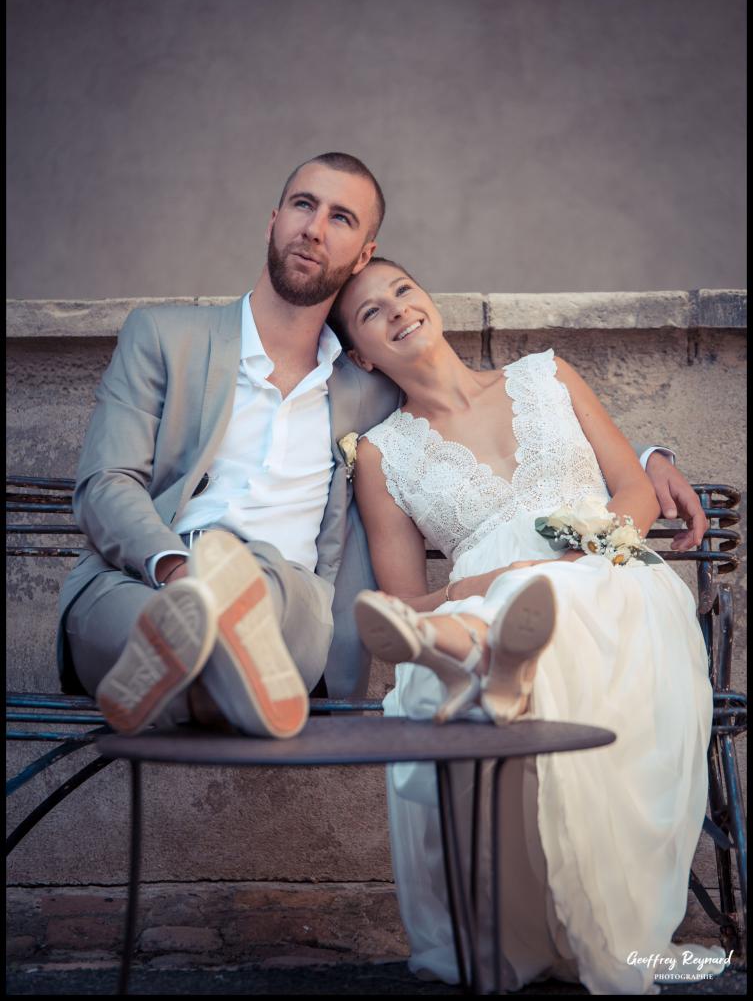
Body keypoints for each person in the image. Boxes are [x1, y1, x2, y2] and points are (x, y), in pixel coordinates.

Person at [58, 152, 708, 746]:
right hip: (145, 578)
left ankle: (190, 674)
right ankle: (212, 675)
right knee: (144, 623)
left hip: (283, 602)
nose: (314, 229)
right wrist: (180, 572)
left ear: (362, 252)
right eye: (303, 205)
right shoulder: (164, 337)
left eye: (340, 218)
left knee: (252, 593)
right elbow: (105, 483)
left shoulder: (366, 387)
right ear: (274, 220)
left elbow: (480, 409)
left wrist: (643, 460)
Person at [327, 257, 728, 994]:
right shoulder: (382, 454)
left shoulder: (547, 375)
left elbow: (634, 489)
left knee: (549, 601)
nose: (397, 310)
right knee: (499, 612)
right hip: (480, 600)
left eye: (403, 291)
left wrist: (585, 552)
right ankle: (491, 653)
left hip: (609, 577)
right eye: (371, 313)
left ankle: (489, 660)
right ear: (362, 356)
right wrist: (485, 584)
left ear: (428, 299)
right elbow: (406, 603)